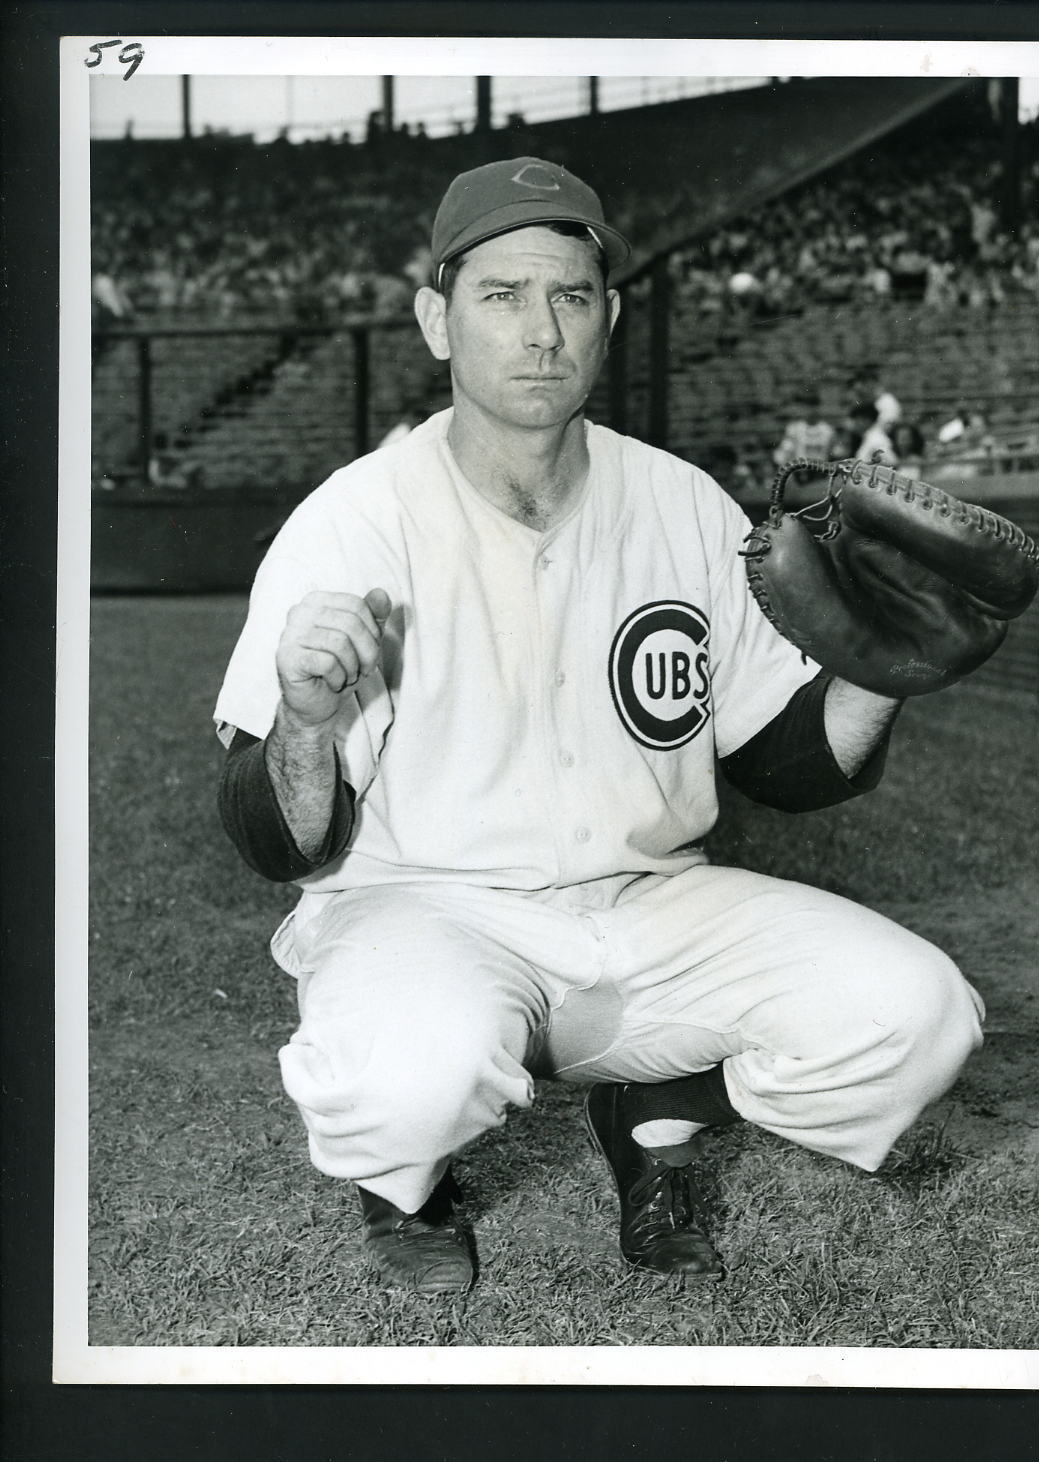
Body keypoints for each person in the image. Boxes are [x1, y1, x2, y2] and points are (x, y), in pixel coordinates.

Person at [215, 157, 984, 1296]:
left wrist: (880, 674)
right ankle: (408, 1186)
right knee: (403, 1079)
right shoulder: (351, 523)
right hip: (426, 906)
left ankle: (661, 1102)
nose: (541, 330)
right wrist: (308, 722)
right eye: (502, 294)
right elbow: (271, 840)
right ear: (437, 319)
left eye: (570, 296)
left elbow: (782, 763)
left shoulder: (683, 504)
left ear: (609, 317)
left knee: (920, 1017)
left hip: (651, 903)